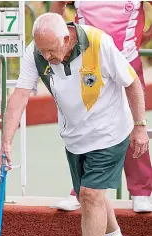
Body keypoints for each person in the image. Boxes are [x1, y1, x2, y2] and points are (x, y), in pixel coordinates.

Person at [0, 13, 149, 236]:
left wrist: (140, 127)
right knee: (87, 195)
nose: (47, 57)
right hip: (75, 136)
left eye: (52, 50)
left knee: (91, 194)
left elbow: (131, 82)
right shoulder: (37, 52)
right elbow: (19, 96)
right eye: (42, 51)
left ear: (67, 38)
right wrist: (6, 142)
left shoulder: (98, 42)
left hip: (110, 130)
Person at [50, 1, 152, 213]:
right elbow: (57, 6)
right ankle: (79, 190)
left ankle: (142, 192)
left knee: (135, 124)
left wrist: (147, 33)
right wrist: (59, 38)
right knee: (86, 125)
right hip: (88, 64)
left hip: (127, 58)